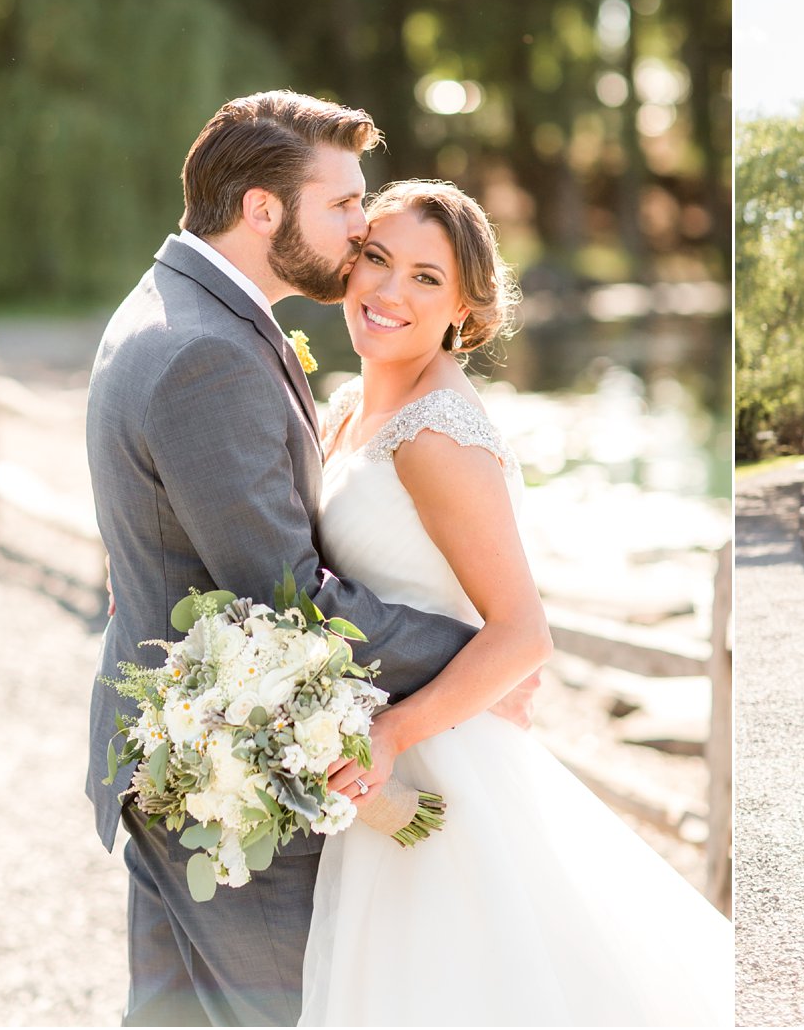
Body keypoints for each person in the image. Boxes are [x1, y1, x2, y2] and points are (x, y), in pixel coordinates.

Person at [85, 91, 535, 1025]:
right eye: (347, 214)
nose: (358, 229)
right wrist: (477, 657)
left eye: (421, 272)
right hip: (225, 775)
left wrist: (504, 649)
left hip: (199, 759)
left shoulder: (178, 311)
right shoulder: (205, 350)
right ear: (262, 209)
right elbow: (286, 591)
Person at [297, 180, 733, 1026]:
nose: (389, 292)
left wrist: (387, 734)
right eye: (376, 259)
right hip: (384, 761)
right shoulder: (351, 406)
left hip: (434, 766)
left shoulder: (434, 433)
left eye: (427, 278)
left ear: (465, 305)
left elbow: (524, 634)